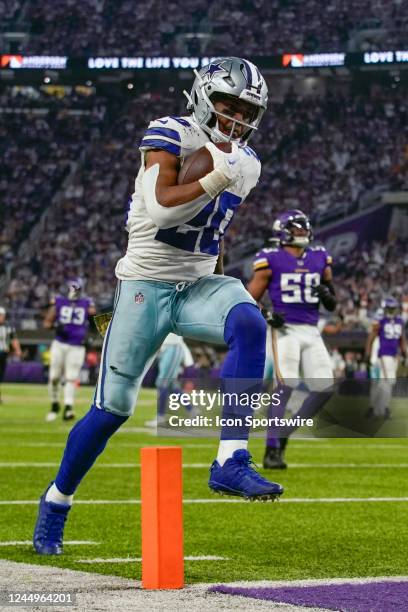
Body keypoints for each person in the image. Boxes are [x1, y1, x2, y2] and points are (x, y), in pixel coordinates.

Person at [33, 57, 284, 556]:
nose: (235, 117)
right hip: (144, 287)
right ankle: (56, 500)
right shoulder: (169, 132)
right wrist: (213, 178)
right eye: (227, 104)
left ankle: (231, 459)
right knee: (111, 410)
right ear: (202, 95)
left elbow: (209, 230)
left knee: (250, 325)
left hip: (195, 285)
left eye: (246, 109)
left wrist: (221, 185)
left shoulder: (249, 163)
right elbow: (164, 207)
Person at [247, 210, 336, 469]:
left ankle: (283, 432)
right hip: (284, 329)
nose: (303, 233)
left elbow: (331, 299)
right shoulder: (271, 258)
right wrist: (266, 314)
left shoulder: (320, 256)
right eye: (297, 229)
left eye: (304, 228)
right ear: (284, 232)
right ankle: (271, 450)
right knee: (286, 386)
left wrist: (328, 296)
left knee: (324, 389)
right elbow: (249, 298)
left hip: (311, 329)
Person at [44, 278, 96, 422]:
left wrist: (91, 336)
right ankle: (55, 404)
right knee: (54, 377)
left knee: (71, 377)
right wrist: (55, 326)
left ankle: (68, 407)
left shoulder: (87, 304)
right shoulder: (59, 302)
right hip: (60, 343)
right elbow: (47, 322)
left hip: (77, 346)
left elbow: (95, 322)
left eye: (77, 289)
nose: (75, 292)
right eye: (73, 288)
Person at [365, 297, 407, 418]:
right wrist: (368, 354)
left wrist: (404, 354)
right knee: (383, 383)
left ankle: (379, 408)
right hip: (384, 356)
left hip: (391, 357)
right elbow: (371, 338)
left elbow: (402, 340)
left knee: (384, 383)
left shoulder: (394, 322)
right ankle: (380, 409)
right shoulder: (383, 322)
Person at [145, 332, 194, 428]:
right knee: (171, 385)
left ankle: (160, 416)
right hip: (166, 348)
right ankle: (192, 410)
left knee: (162, 383)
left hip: (173, 346)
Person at [0, 307, 22, 403]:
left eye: (2, 316)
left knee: (0, 375)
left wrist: (18, 349)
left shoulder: (8, 327)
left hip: (3, 353)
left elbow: (14, 339)